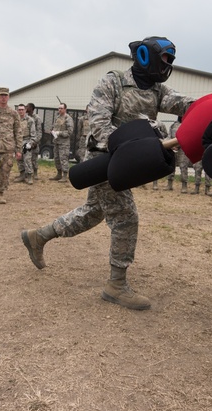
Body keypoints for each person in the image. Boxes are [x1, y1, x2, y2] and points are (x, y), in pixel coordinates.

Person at [21, 36, 193, 310]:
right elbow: (99, 125)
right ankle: (116, 285)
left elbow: (183, 103)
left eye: (170, 62)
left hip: (128, 161)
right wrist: (136, 145)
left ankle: (38, 236)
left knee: (93, 212)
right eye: (164, 60)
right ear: (146, 57)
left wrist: (211, 110)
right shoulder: (113, 82)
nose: (167, 66)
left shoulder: (157, 90)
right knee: (126, 218)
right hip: (104, 160)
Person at [50, 103, 74, 181]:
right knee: (56, 158)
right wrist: (53, 131)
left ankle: (65, 175)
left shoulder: (68, 118)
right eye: (59, 108)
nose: (59, 110)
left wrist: (59, 133)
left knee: (63, 159)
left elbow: (70, 132)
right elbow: (54, 127)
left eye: (61, 108)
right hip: (56, 141)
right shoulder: (57, 118)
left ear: (65, 109)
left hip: (64, 143)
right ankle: (59, 174)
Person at [14, 104, 37, 185]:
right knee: (19, 159)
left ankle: (30, 176)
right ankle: (22, 175)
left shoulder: (30, 120)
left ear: (25, 110)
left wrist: (30, 144)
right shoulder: (16, 120)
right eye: (19, 109)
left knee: (27, 159)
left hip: (27, 141)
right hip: (18, 142)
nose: (20, 111)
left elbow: (33, 135)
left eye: (22, 109)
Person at [25, 103, 42, 179]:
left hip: (34, 141)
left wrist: (35, 142)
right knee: (26, 158)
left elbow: (39, 131)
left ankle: (35, 173)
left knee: (34, 158)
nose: (26, 108)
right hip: (26, 140)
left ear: (31, 108)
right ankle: (27, 173)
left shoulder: (37, 118)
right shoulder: (26, 117)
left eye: (27, 106)